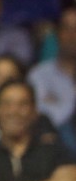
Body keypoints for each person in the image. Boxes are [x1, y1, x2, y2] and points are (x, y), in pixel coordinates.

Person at [29, 7, 76, 138]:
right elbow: (43, 118)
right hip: (54, 139)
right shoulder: (39, 75)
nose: (72, 35)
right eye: (67, 28)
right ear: (57, 33)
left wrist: (59, 102)